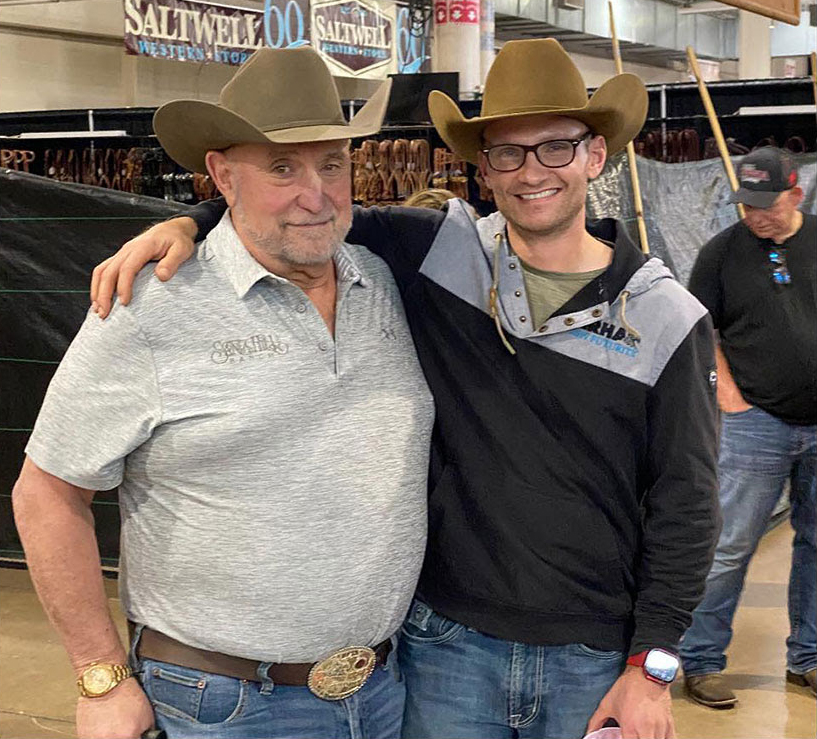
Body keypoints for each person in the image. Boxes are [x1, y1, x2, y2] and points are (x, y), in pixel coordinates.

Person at [90, 38, 720, 739]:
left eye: (555, 148)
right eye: (507, 153)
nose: (531, 171)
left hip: (592, 655)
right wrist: (186, 222)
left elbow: (687, 506)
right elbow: (302, 215)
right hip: (445, 645)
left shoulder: (664, 317)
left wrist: (652, 666)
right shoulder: (440, 254)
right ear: (483, 167)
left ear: (595, 156)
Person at [12, 47, 435, 739]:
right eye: (281, 168)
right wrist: (99, 677)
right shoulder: (151, 308)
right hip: (222, 703)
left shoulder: (385, 281)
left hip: (383, 692)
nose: (316, 194)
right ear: (222, 174)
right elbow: (46, 494)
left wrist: (194, 217)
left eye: (332, 164)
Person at [680, 147, 817, 707]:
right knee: (730, 546)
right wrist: (729, 395)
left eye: (767, 204)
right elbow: (698, 330)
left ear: (796, 194)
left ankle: (808, 658)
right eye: (747, 204)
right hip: (756, 424)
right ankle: (700, 661)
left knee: (816, 543)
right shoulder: (721, 254)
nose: (755, 215)